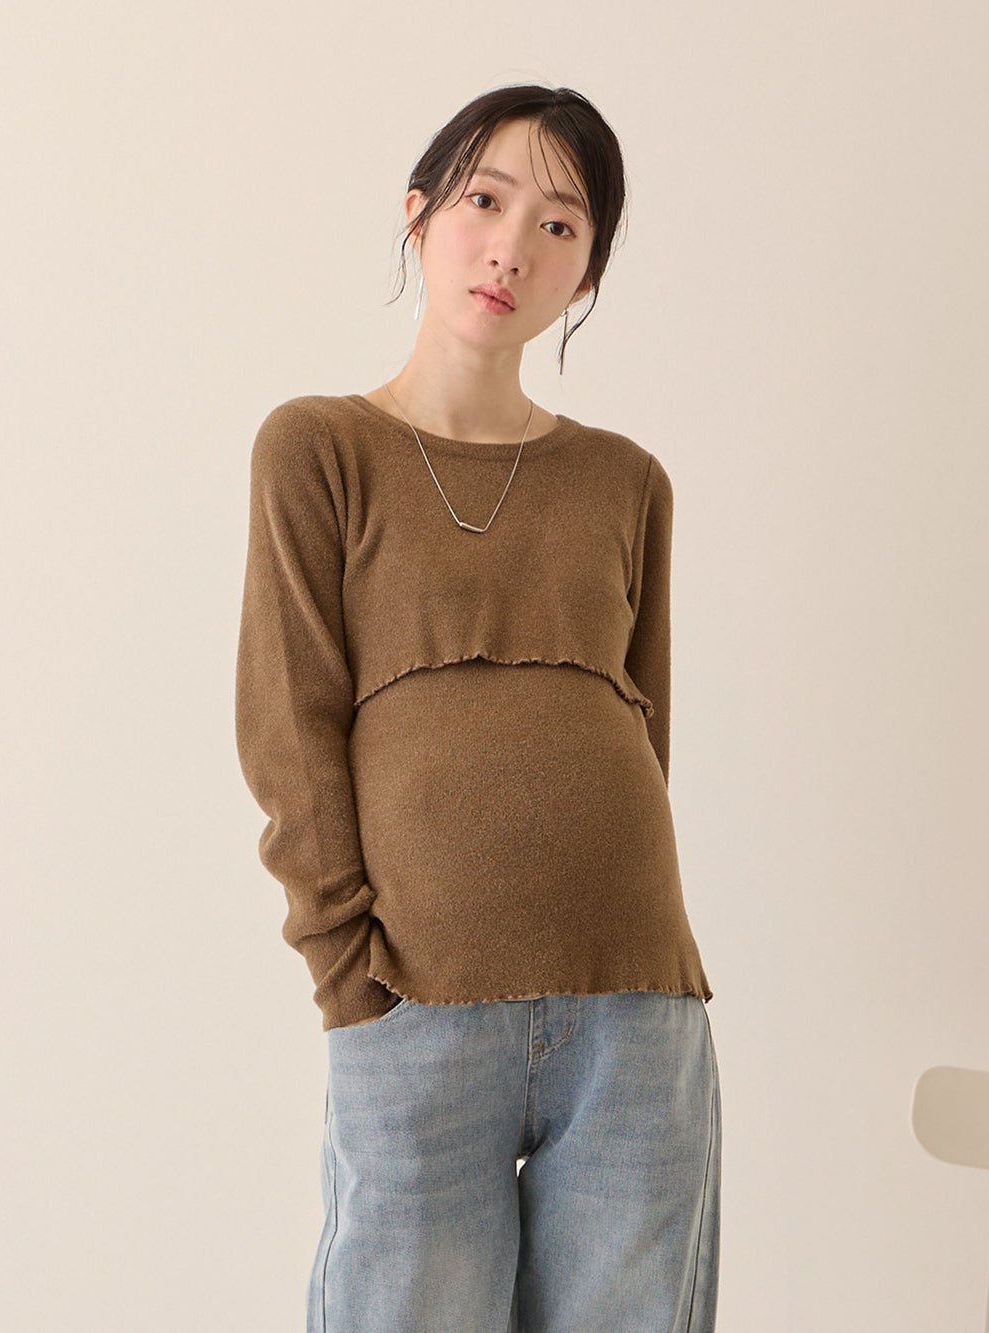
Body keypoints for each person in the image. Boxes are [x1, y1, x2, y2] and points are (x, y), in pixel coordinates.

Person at [235, 83, 721, 1333]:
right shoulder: (318, 449)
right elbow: (289, 726)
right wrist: (348, 972)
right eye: (484, 200)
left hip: (634, 1001)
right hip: (412, 992)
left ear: (587, 272)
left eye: (560, 225)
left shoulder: (626, 480)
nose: (512, 246)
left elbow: (645, 731)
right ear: (418, 216)